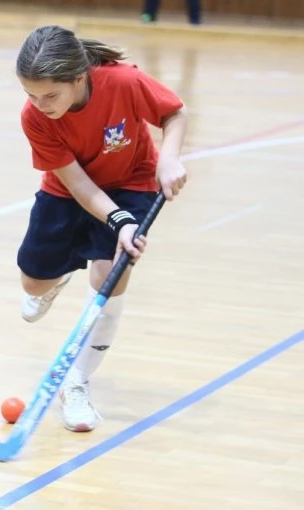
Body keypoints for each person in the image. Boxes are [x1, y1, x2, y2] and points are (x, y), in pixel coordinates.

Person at [14, 25, 188, 432]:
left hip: (131, 180)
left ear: (79, 78)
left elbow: (174, 112)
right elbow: (77, 183)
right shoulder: (34, 117)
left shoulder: (122, 82)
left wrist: (169, 159)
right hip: (67, 188)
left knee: (110, 273)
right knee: (32, 284)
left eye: (50, 95)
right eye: (31, 95)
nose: (40, 105)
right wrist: (119, 221)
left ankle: (76, 383)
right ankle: (59, 276)